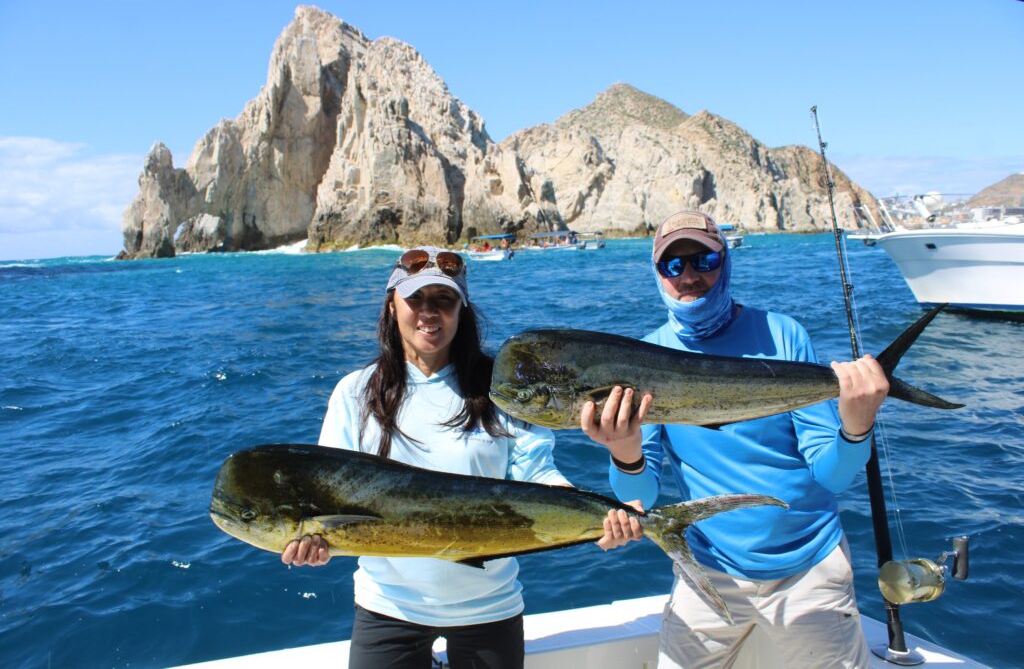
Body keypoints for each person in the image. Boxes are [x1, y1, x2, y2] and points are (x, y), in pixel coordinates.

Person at [281, 246, 631, 668]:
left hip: (489, 608)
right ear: (392, 306)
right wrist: (315, 545)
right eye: (416, 299)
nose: (430, 312)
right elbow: (327, 500)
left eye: (444, 300)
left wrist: (598, 518)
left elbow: (538, 476)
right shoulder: (354, 393)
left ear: (462, 310)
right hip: (389, 608)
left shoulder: (503, 392)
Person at [584, 211, 888, 668]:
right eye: (673, 266)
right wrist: (623, 452)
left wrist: (856, 427)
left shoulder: (784, 335)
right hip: (707, 573)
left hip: (807, 571)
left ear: (726, 262)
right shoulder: (644, 356)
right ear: (658, 275)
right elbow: (639, 495)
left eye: (703, 259)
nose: (689, 276)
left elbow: (834, 474)